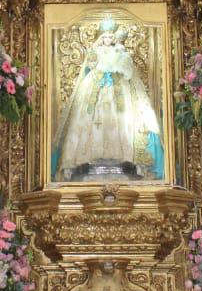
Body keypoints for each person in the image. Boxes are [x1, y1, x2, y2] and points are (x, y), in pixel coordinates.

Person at [52, 25, 164, 182]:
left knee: (124, 121)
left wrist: (120, 63)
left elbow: (127, 68)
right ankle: (79, 161)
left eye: (111, 37)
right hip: (96, 88)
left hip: (118, 89)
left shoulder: (120, 51)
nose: (108, 40)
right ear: (101, 37)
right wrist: (94, 56)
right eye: (105, 37)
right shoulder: (96, 51)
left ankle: (128, 159)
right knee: (87, 120)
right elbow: (90, 64)